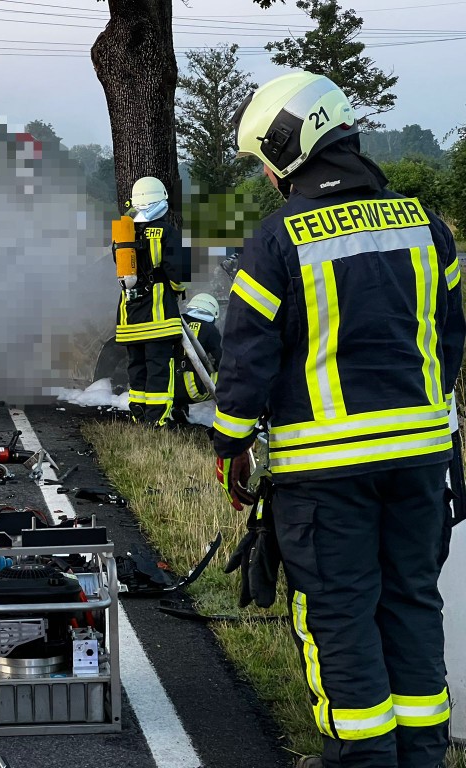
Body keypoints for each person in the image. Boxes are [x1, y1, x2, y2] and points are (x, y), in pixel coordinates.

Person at [216, 70, 464, 768]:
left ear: (288, 147)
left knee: (340, 618)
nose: (268, 176)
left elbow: (247, 359)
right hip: (422, 465)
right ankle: (422, 757)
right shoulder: (428, 227)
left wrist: (231, 444)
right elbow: (450, 340)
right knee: (412, 605)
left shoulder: (278, 240)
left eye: (266, 160)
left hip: (326, 480)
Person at [115, 176, 189, 426]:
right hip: (158, 316)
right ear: (161, 201)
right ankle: (157, 420)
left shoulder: (123, 233)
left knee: (137, 367)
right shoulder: (167, 232)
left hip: (129, 315)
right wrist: (178, 290)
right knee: (159, 368)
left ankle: (138, 415)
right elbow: (178, 274)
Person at [172, 292, 222, 424]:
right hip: (193, 390)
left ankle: (179, 408)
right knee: (231, 376)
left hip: (168, 387)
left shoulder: (176, 323)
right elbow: (222, 359)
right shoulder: (209, 329)